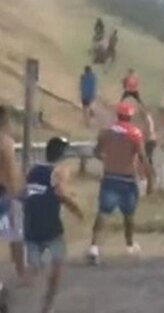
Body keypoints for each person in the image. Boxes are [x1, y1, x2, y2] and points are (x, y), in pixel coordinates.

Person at [22, 137, 84, 313]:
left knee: (32, 268)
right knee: (57, 267)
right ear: (63, 154)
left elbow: (27, 192)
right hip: (50, 227)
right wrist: (77, 210)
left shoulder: (33, 170)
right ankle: (46, 308)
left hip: (31, 225)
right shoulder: (60, 171)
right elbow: (60, 194)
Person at [87, 101, 154, 265]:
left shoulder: (107, 133)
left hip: (110, 177)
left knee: (103, 213)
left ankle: (94, 247)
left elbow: (96, 152)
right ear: (130, 116)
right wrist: (150, 178)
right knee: (129, 214)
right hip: (127, 179)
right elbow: (143, 158)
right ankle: (129, 244)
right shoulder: (135, 134)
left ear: (118, 115)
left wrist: (107, 159)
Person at [0, 106, 24, 308]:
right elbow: (11, 174)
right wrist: (16, 195)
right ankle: (21, 271)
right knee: (15, 234)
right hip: (3, 194)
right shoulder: (5, 142)